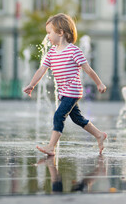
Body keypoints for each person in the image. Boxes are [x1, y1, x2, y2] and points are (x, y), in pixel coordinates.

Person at [23, 13, 107, 156]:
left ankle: (51, 147)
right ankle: (99, 135)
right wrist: (32, 84)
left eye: (50, 33)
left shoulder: (73, 51)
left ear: (61, 32)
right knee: (77, 118)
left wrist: (99, 83)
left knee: (58, 115)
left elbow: (88, 69)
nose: (48, 36)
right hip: (64, 92)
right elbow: (41, 70)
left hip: (72, 91)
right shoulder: (51, 53)